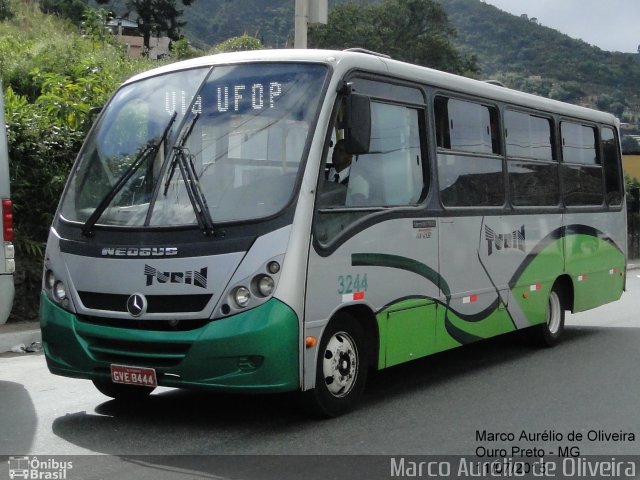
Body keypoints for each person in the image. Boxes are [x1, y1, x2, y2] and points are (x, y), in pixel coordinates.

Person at [327, 139, 369, 205]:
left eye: (341, 151)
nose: (335, 153)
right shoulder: (322, 175)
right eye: (335, 149)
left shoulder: (358, 181)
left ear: (350, 156)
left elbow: (357, 208)